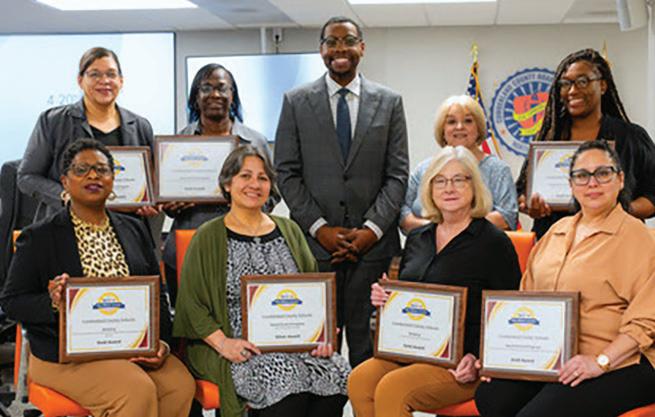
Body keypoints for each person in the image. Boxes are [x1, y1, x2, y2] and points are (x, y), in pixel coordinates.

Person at [1, 139, 195, 417]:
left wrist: (160, 344)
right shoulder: (40, 236)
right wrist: (53, 301)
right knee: (135, 390)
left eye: (102, 169)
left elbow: (156, 296)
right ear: (65, 182)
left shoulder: (134, 230)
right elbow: (12, 302)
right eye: (82, 170)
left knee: (179, 385)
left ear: (113, 180)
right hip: (64, 356)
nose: (93, 175)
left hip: (131, 347)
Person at [475, 140, 655, 417]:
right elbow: (526, 300)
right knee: (492, 397)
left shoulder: (641, 239)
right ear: (571, 185)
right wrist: (503, 358)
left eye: (603, 173)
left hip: (623, 361)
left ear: (620, 180)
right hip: (552, 357)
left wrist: (600, 362)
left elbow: (646, 321)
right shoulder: (556, 231)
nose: (592, 183)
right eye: (582, 175)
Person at [173, 145, 350, 417]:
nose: (254, 184)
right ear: (228, 183)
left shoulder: (290, 230)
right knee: (288, 380)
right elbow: (191, 305)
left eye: (263, 178)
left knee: (338, 373)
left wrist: (320, 334)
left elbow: (312, 291)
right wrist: (224, 344)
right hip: (230, 343)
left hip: (292, 341)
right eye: (245, 176)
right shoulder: (207, 237)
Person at [274, 16, 409, 367]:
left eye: (348, 40)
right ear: (321, 50)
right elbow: (286, 173)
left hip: (374, 250)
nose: (339, 49)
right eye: (331, 42)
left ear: (361, 47)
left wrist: (371, 231)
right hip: (316, 249)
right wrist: (320, 229)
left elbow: (397, 175)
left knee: (370, 350)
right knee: (319, 348)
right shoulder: (295, 101)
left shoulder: (390, 102)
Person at [348, 146, 521, 417]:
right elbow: (409, 296)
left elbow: (508, 314)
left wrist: (478, 358)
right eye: (439, 181)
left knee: (392, 389)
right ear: (429, 189)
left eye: (459, 179)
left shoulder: (494, 243)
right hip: (413, 350)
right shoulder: (418, 238)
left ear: (474, 186)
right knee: (359, 380)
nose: (448, 188)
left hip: (462, 363)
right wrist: (386, 298)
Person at [162, 63, 273, 305]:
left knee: (242, 316)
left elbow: (272, 194)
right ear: (196, 97)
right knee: (189, 321)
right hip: (187, 249)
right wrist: (171, 205)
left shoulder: (255, 142)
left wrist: (245, 202)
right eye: (206, 88)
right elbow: (166, 203)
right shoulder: (176, 144)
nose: (215, 94)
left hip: (245, 248)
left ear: (233, 96)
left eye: (222, 88)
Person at [516, 48, 655, 238]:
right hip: (555, 242)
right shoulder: (549, 139)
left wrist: (622, 210)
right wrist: (530, 205)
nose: (573, 90)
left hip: (614, 243)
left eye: (583, 81)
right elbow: (522, 192)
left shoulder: (630, 137)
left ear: (603, 85)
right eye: (566, 83)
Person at [18, 47, 158, 222]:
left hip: (125, 226)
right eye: (94, 74)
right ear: (80, 80)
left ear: (121, 81)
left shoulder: (140, 126)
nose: (104, 81)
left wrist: (148, 200)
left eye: (111, 74)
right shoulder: (53, 121)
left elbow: (152, 183)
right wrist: (66, 196)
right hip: (68, 225)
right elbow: (27, 177)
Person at [400, 95, 517, 233]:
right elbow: (402, 214)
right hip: (424, 243)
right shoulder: (423, 169)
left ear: (479, 128)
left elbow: (507, 217)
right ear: (442, 130)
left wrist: (453, 227)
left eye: (468, 121)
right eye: (451, 122)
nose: (460, 127)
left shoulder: (497, 170)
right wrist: (433, 230)